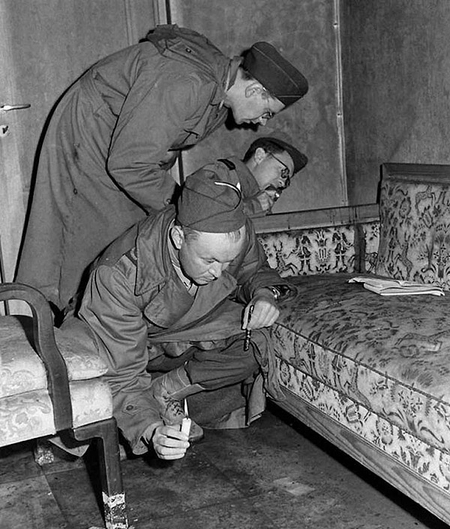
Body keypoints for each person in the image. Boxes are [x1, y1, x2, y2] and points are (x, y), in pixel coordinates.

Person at [16, 23, 308, 315]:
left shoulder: (220, 96)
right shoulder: (187, 82)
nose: (263, 122)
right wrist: (187, 206)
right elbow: (130, 164)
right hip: (92, 137)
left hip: (118, 146)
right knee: (85, 242)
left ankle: (93, 318)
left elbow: (162, 142)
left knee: (126, 236)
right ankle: (68, 323)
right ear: (254, 90)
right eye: (267, 112)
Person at [61, 162, 295, 460]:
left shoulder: (231, 229)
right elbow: (122, 374)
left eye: (227, 261)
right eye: (209, 261)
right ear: (178, 238)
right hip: (121, 342)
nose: (219, 272)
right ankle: (142, 416)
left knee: (256, 342)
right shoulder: (118, 274)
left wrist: (264, 294)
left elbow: (254, 270)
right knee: (92, 386)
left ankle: (164, 392)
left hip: (182, 331)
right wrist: (152, 430)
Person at [217, 135, 308, 217]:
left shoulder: (256, 203)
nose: (283, 183)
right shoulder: (220, 175)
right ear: (259, 156)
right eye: (284, 172)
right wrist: (254, 206)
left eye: (287, 181)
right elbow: (213, 218)